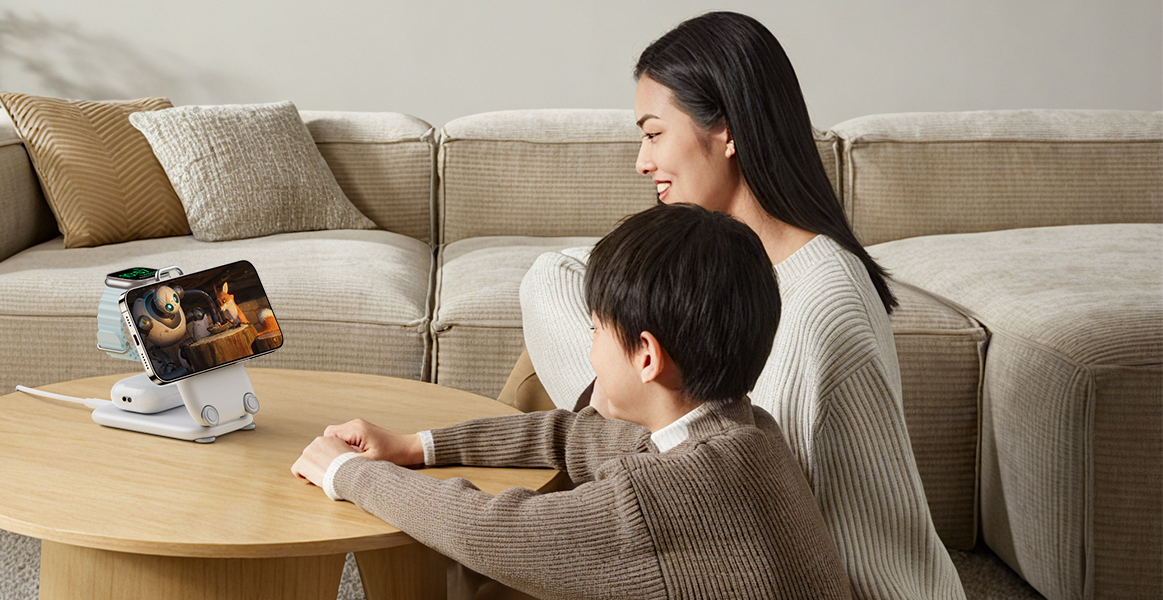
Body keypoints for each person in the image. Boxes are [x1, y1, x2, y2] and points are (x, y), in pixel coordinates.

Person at [515, 11, 963, 600]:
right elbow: (557, 275)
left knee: (582, 385)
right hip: (725, 546)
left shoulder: (823, 303)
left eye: (653, 133)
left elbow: (810, 526)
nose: (642, 161)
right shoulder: (727, 268)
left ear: (725, 130)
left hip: (813, 584)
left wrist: (627, 406)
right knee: (594, 343)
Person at [292, 203, 852, 600]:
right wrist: (416, 445)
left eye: (594, 330)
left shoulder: (662, 496)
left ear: (647, 356)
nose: (588, 346)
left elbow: (492, 530)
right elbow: (566, 434)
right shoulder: (745, 430)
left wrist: (345, 474)